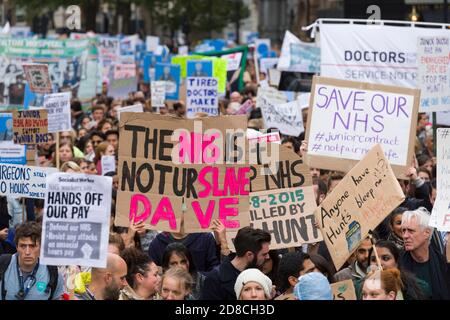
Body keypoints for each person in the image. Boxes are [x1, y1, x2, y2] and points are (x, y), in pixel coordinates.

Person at [201, 226, 271, 300]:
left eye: (258, 288)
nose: (268, 257)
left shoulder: (259, 273)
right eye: (264, 254)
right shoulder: (215, 279)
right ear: (249, 255)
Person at [0, 222, 64, 300]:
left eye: (32, 246)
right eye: (23, 246)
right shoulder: (3, 265)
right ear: (16, 247)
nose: (27, 252)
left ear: (41, 247)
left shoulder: (52, 272)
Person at [399, 207, 450, 300]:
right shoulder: (398, 264)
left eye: (411, 231)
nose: (405, 236)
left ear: (426, 233)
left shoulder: (441, 262)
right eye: (403, 230)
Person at [364, 240, 430, 300]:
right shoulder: (359, 289)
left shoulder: (420, 288)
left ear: (397, 262)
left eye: (386, 258)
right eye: (373, 259)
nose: (379, 263)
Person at [148, 229, 218, 274]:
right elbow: (150, 273)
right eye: (173, 263)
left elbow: (215, 269)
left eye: (183, 262)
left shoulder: (205, 238)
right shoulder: (157, 243)